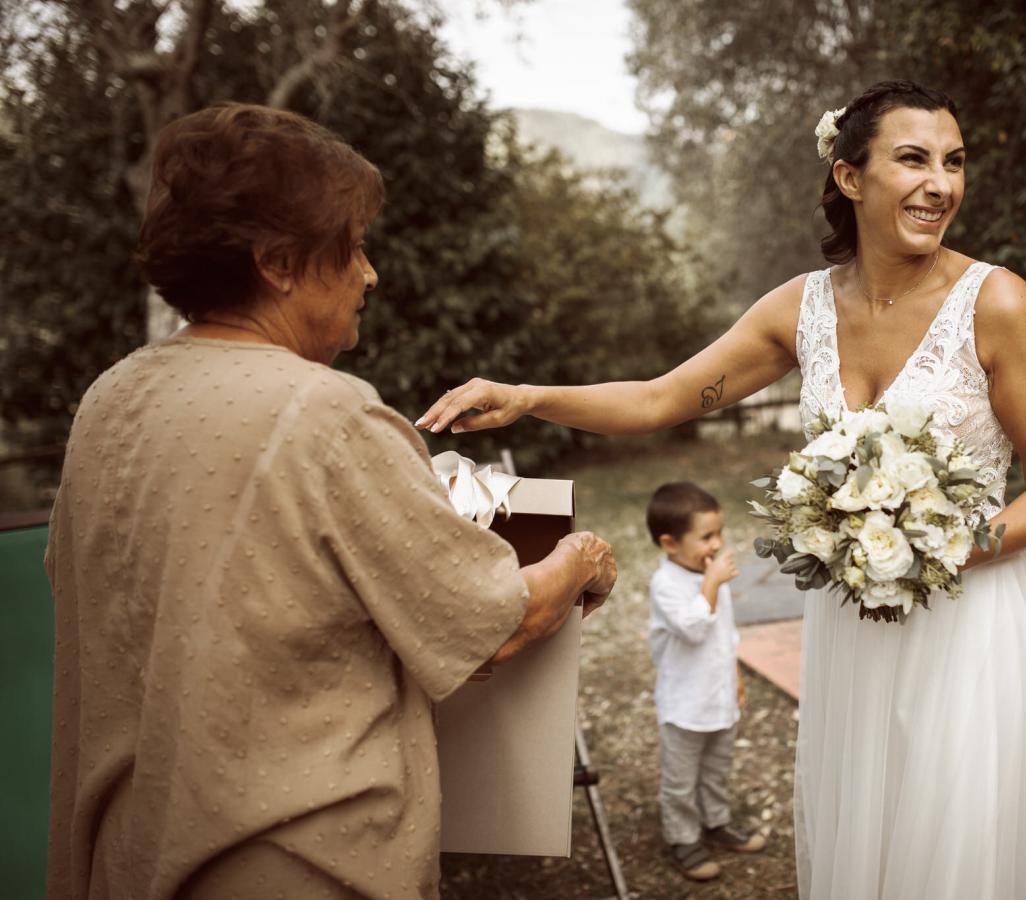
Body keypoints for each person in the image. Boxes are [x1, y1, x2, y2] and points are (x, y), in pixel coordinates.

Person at [417, 80, 1026, 898]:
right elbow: (660, 396)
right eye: (913, 159)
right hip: (854, 628)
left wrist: (939, 548)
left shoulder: (997, 303)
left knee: (962, 834)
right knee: (873, 822)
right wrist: (531, 398)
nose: (942, 184)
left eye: (954, 163)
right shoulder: (803, 309)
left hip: (970, 620)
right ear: (851, 177)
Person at [44, 103, 617, 900]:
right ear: (278, 261)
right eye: (351, 245)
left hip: (132, 850)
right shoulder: (326, 411)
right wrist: (582, 559)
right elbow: (491, 625)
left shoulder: (109, 398)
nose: (370, 273)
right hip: (290, 859)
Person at [644, 482, 766, 882]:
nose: (717, 544)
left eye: (719, 533)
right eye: (706, 537)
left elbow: (724, 633)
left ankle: (716, 821)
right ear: (669, 543)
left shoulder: (708, 574)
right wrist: (711, 584)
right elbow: (694, 628)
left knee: (716, 768)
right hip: (684, 705)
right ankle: (682, 837)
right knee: (681, 779)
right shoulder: (666, 585)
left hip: (719, 696)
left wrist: (735, 676)